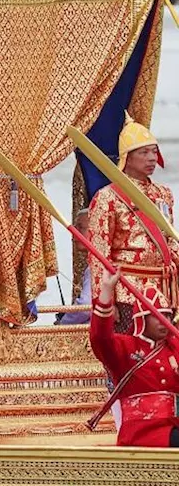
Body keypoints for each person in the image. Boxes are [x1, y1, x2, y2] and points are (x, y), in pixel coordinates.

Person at [88, 114, 179, 332]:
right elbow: (99, 254)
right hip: (129, 291)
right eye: (143, 152)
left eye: (154, 151)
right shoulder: (107, 197)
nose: (151, 158)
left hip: (165, 292)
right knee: (133, 354)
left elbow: (170, 240)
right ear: (127, 157)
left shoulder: (163, 194)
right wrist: (105, 301)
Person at [89, 271, 179, 447]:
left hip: (173, 427)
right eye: (157, 315)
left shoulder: (174, 348)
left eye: (167, 315)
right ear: (142, 319)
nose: (164, 320)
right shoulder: (125, 347)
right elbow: (100, 338)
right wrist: (107, 290)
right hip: (142, 432)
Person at [57, 209, 94, 326]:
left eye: (80, 228)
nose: (75, 233)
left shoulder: (99, 265)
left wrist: (63, 324)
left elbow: (85, 307)